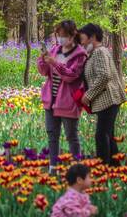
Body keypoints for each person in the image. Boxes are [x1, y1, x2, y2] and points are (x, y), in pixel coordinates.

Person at [37, 20, 87, 174]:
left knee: (71, 136)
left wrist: (55, 63)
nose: (60, 38)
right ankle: (53, 167)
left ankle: (76, 169)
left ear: (73, 35)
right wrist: (43, 60)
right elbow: (44, 72)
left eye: (64, 35)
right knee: (52, 135)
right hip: (51, 99)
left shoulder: (80, 55)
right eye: (58, 35)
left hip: (68, 101)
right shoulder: (54, 50)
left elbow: (71, 76)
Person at [78, 24, 126, 166]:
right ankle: (115, 168)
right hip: (106, 100)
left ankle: (103, 168)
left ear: (92, 37)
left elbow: (104, 75)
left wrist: (89, 95)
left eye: (83, 39)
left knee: (101, 135)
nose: (82, 43)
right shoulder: (94, 54)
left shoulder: (100, 52)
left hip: (109, 99)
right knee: (108, 136)